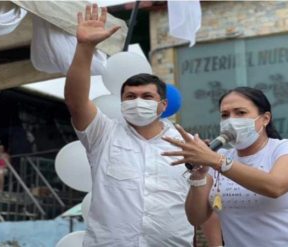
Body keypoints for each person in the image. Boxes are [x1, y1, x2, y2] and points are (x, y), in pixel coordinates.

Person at [64, 3, 194, 246]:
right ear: (121, 102)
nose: (137, 102)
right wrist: (85, 47)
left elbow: (201, 202)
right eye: (130, 97)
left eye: (147, 97)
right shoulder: (102, 134)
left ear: (163, 105)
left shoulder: (186, 144)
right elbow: (76, 101)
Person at [162, 86, 288, 246]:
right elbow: (196, 218)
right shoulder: (220, 158)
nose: (231, 120)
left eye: (240, 113)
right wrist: (198, 176)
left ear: (265, 119)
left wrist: (216, 160)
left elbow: (275, 186)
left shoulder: (287, 148)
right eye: (225, 115)